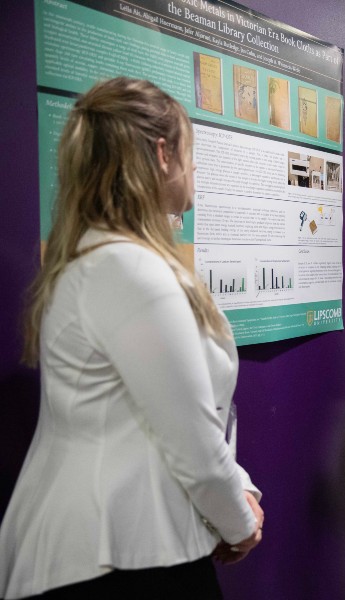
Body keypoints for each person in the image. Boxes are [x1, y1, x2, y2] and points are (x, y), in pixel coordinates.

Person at [0, 78, 263, 599]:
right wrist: (241, 520)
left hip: (125, 544)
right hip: (119, 557)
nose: (195, 168)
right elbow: (190, 439)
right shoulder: (130, 270)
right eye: (192, 151)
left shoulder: (102, 260)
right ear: (164, 154)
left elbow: (161, 415)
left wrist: (238, 487)